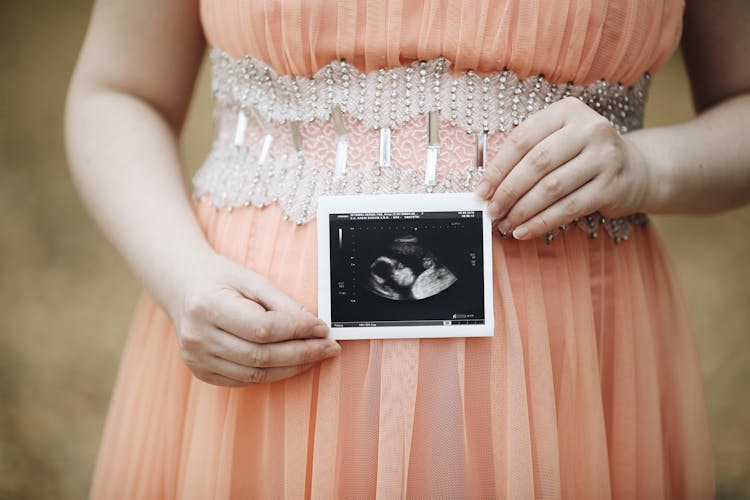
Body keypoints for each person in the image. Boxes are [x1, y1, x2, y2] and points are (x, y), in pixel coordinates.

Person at [65, 0, 749, 498]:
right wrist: (179, 274)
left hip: (565, 363)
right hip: (258, 362)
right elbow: (119, 88)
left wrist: (647, 166)